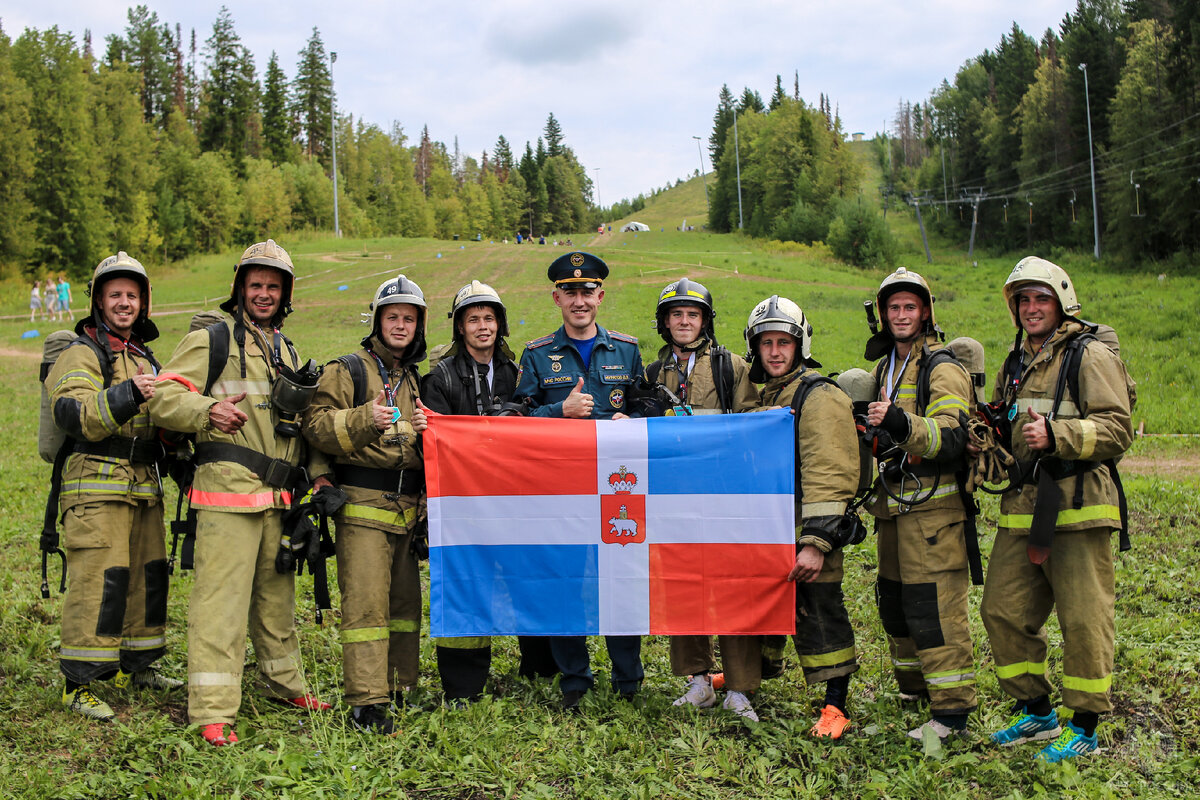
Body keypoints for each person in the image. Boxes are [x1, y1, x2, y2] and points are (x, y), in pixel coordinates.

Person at [150, 239, 331, 747]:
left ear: (286, 292)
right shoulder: (213, 340)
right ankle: (210, 710)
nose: (264, 293)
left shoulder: (287, 349)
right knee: (219, 605)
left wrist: (316, 477)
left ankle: (283, 684)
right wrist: (206, 411)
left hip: (278, 500)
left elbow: (302, 425)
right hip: (227, 497)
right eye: (256, 284)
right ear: (240, 288)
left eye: (273, 286)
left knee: (276, 601)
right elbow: (164, 396)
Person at [979, 257, 1133, 763]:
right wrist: (992, 450)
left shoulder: (1088, 354)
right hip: (1023, 508)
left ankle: (1084, 725)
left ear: (1061, 302)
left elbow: (1118, 429)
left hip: (1079, 507)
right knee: (1000, 610)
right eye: (1022, 300)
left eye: (1040, 298)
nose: (1030, 308)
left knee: (1084, 620)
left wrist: (1058, 435)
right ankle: (1039, 712)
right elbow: (1009, 430)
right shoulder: (1015, 361)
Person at [46, 251, 181, 721]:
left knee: (147, 581)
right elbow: (76, 414)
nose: (124, 303)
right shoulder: (83, 352)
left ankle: (138, 665)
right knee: (99, 583)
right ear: (99, 301)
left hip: (143, 489)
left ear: (144, 302)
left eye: (132, 295)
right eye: (115, 294)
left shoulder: (143, 355)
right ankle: (77, 683)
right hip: (95, 490)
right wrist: (129, 393)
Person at [513, 250, 644, 710]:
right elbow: (518, 419)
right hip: (560, 490)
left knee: (622, 579)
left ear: (601, 295)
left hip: (618, 490)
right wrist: (558, 411)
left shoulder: (627, 350)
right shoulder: (536, 355)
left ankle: (628, 681)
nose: (579, 300)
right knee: (565, 578)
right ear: (556, 298)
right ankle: (575, 679)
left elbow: (647, 405)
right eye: (570, 292)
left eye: (587, 291)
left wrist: (634, 416)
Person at [303, 274, 431, 734]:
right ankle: (366, 702)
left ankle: (399, 689)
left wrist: (427, 429)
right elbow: (315, 426)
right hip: (361, 508)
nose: (401, 325)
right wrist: (364, 418)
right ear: (377, 320)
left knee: (403, 607)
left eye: (409, 319)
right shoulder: (348, 369)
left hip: (406, 509)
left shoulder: (411, 377)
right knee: (366, 609)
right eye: (393, 317)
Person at [420, 280, 558, 703]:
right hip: (464, 505)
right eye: (473, 319)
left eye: (489, 318)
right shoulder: (440, 377)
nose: (483, 326)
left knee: (528, 578)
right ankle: (463, 686)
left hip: (517, 499)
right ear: (459, 327)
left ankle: (541, 668)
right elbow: (436, 441)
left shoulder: (518, 372)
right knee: (468, 584)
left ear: (500, 324)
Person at [862, 267, 978, 741]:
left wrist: (900, 422)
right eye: (894, 308)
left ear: (926, 312)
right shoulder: (885, 366)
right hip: (893, 509)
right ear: (882, 315)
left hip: (934, 512)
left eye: (910, 307)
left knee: (935, 609)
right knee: (894, 604)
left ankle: (951, 713)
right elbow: (883, 433)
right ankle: (914, 689)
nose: (901, 315)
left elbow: (951, 434)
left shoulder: (941, 366)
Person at [642, 278, 759, 719]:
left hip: (724, 495)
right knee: (684, 587)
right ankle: (698, 680)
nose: (684, 322)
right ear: (664, 322)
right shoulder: (653, 373)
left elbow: (752, 424)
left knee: (731, 589)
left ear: (705, 320)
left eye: (693, 314)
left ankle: (740, 688)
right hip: (672, 497)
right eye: (676, 315)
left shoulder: (732, 366)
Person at [745, 296, 860, 736]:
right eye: (766, 343)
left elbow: (830, 472)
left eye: (783, 343)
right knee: (768, 606)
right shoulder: (768, 394)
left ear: (800, 344)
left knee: (820, 611)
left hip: (809, 531)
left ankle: (836, 707)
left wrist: (816, 543)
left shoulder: (819, 394)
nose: (774, 352)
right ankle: (753, 678)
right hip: (772, 530)